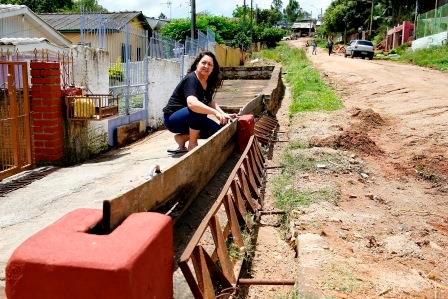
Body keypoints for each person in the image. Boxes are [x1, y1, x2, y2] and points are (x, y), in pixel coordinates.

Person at [163, 51, 233, 153]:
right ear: (197, 64)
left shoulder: (207, 82)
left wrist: (223, 114)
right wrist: (215, 113)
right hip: (173, 119)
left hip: (192, 119)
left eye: (210, 64)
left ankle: (182, 139)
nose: (206, 66)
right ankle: (192, 144)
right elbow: (192, 103)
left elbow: (210, 102)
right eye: (203, 63)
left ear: (213, 68)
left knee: (216, 131)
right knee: (197, 109)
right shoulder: (191, 78)